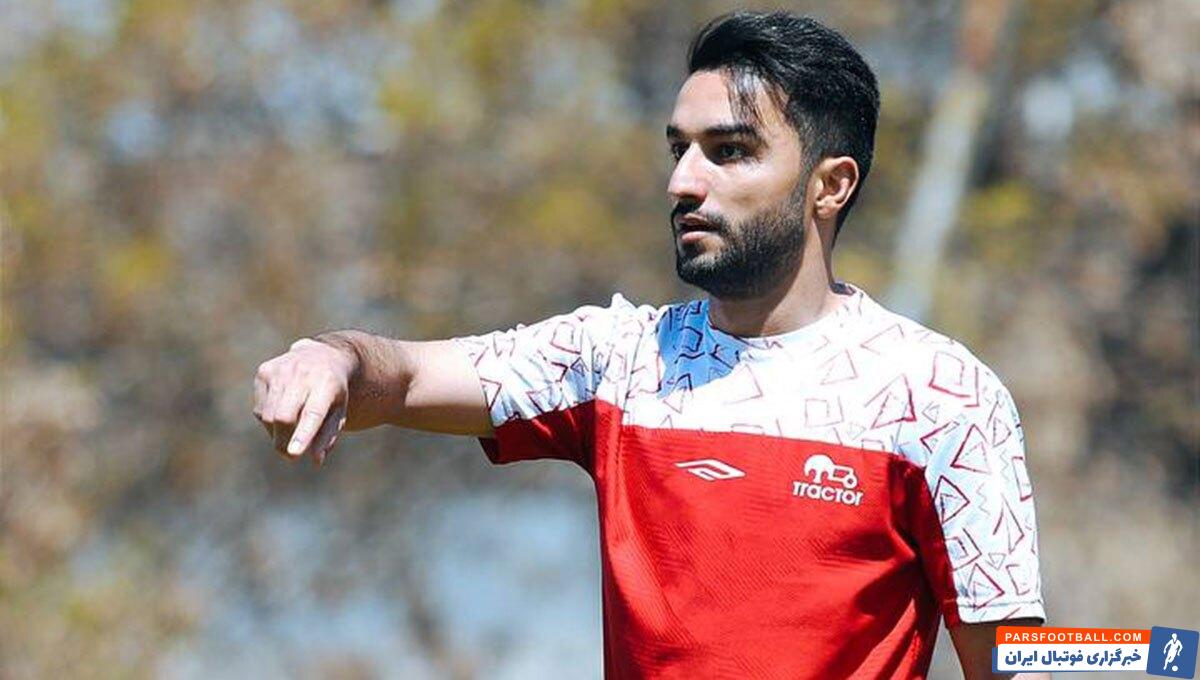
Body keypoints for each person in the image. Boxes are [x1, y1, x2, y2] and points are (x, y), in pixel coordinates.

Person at [252, 11, 1047, 679]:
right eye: (680, 149)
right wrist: (334, 358)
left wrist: (1128, 651)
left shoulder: (940, 394)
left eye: (728, 151)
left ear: (830, 185)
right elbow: (404, 376)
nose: (683, 182)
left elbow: (1018, 660)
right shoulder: (618, 360)